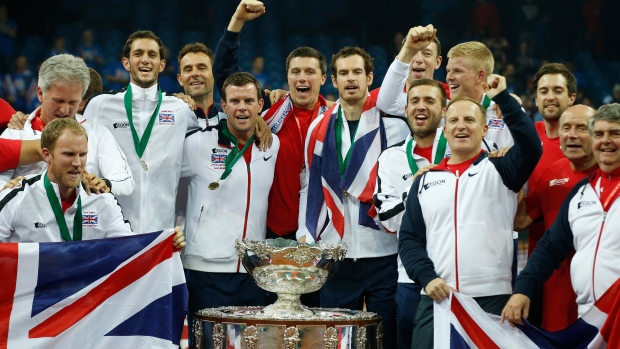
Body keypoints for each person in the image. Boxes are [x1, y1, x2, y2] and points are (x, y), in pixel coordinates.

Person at [398, 75, 541, 348]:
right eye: (453, 120)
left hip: (493, 299)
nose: (460, 126)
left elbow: (532, 147)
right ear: (445, 128)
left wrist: (503, 99)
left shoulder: (502, 169)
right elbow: (409, 239)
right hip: (438, 297)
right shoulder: (425, 180)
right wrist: (427, 278)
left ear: (485, 129)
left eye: (469, 120)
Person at [298, 46, 410, 349]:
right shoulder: (317, 129)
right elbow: (309, 183)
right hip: (337, 253)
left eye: (357, 72)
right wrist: (305, 232)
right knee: (336, 341)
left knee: (385, 339)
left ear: (369, 77)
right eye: (343, 73)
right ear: (333, 80)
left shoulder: (395, 127)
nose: (350, 79)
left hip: (384, 252)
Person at [215, 0, 329, 242]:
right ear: (286, 76)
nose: (302, 78)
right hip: (271, 231)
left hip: (322, 231)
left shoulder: (334, 119)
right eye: (295, 72)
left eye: (310, 72)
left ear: (324, 78)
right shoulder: (268, 109)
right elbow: (227, 75)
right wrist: (237, 22)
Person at [181, 72, 278, 346]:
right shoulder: (197, 144)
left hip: (254, 271)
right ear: (223, 107)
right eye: (234, 101)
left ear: (260, 105)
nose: (242, 107)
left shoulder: (272, 145)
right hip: (206, 269)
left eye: (249, 100)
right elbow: (164, 182)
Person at [502, 103, 620, 327]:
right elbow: (550, 247)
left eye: (615, 134)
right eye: (600, 134)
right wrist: (523, 288)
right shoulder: (582, 192)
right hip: (588, 317)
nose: (606, 140)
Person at [0, 118, 186, 248]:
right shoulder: (17, 197)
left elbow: (130, 250)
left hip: (86, 302)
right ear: (47, 155)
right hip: (37, 302)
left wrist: (165, 243)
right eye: (69, 154)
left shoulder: (102, 200)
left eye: (82, 154)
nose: (77, 162)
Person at [82, 30, 200, 234]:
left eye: (152, 55)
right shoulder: (100, 106)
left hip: (161, 234)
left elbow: (210, 137)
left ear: (162, 65)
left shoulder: (180, 109)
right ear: (126, 63)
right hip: (113, 232)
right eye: (138, 54)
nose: (145, 60)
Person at [374, 78, 447, 349]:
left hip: (459, 275)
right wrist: (416, 190)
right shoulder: (390, 158)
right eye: (414, 101)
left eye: (429, 101)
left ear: (443, 109)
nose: (421, 107)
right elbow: (389, 220)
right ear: (405, 110)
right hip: (411, 278)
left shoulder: (462, 148)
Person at [0, 54, 134, 197]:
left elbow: (125, 182)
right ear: (40, 93)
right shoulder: (15, 132)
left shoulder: (97, 133)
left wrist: (105, 184)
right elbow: (2, 180)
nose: (65, 111)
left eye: (72, 103)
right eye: (58, 101)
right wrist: (7, 188)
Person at [446, 41, 512, 149]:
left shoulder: (505, 113)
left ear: (480, 76)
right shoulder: (442, 112)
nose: (449, 77)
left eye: (457, 71)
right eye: (448, 71)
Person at [376, 24, 450, 119]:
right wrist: (407, 50)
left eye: (427, 54)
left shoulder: (451, 96)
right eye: (412, 53)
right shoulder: (379, 96)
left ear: (438, 62)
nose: (418, 59)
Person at [176, 42, 225, 128]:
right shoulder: (173, 117)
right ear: (180, 79)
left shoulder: (229, 118)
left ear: (214, 75)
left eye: (202, 68)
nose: (195, 74)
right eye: (188, 69)